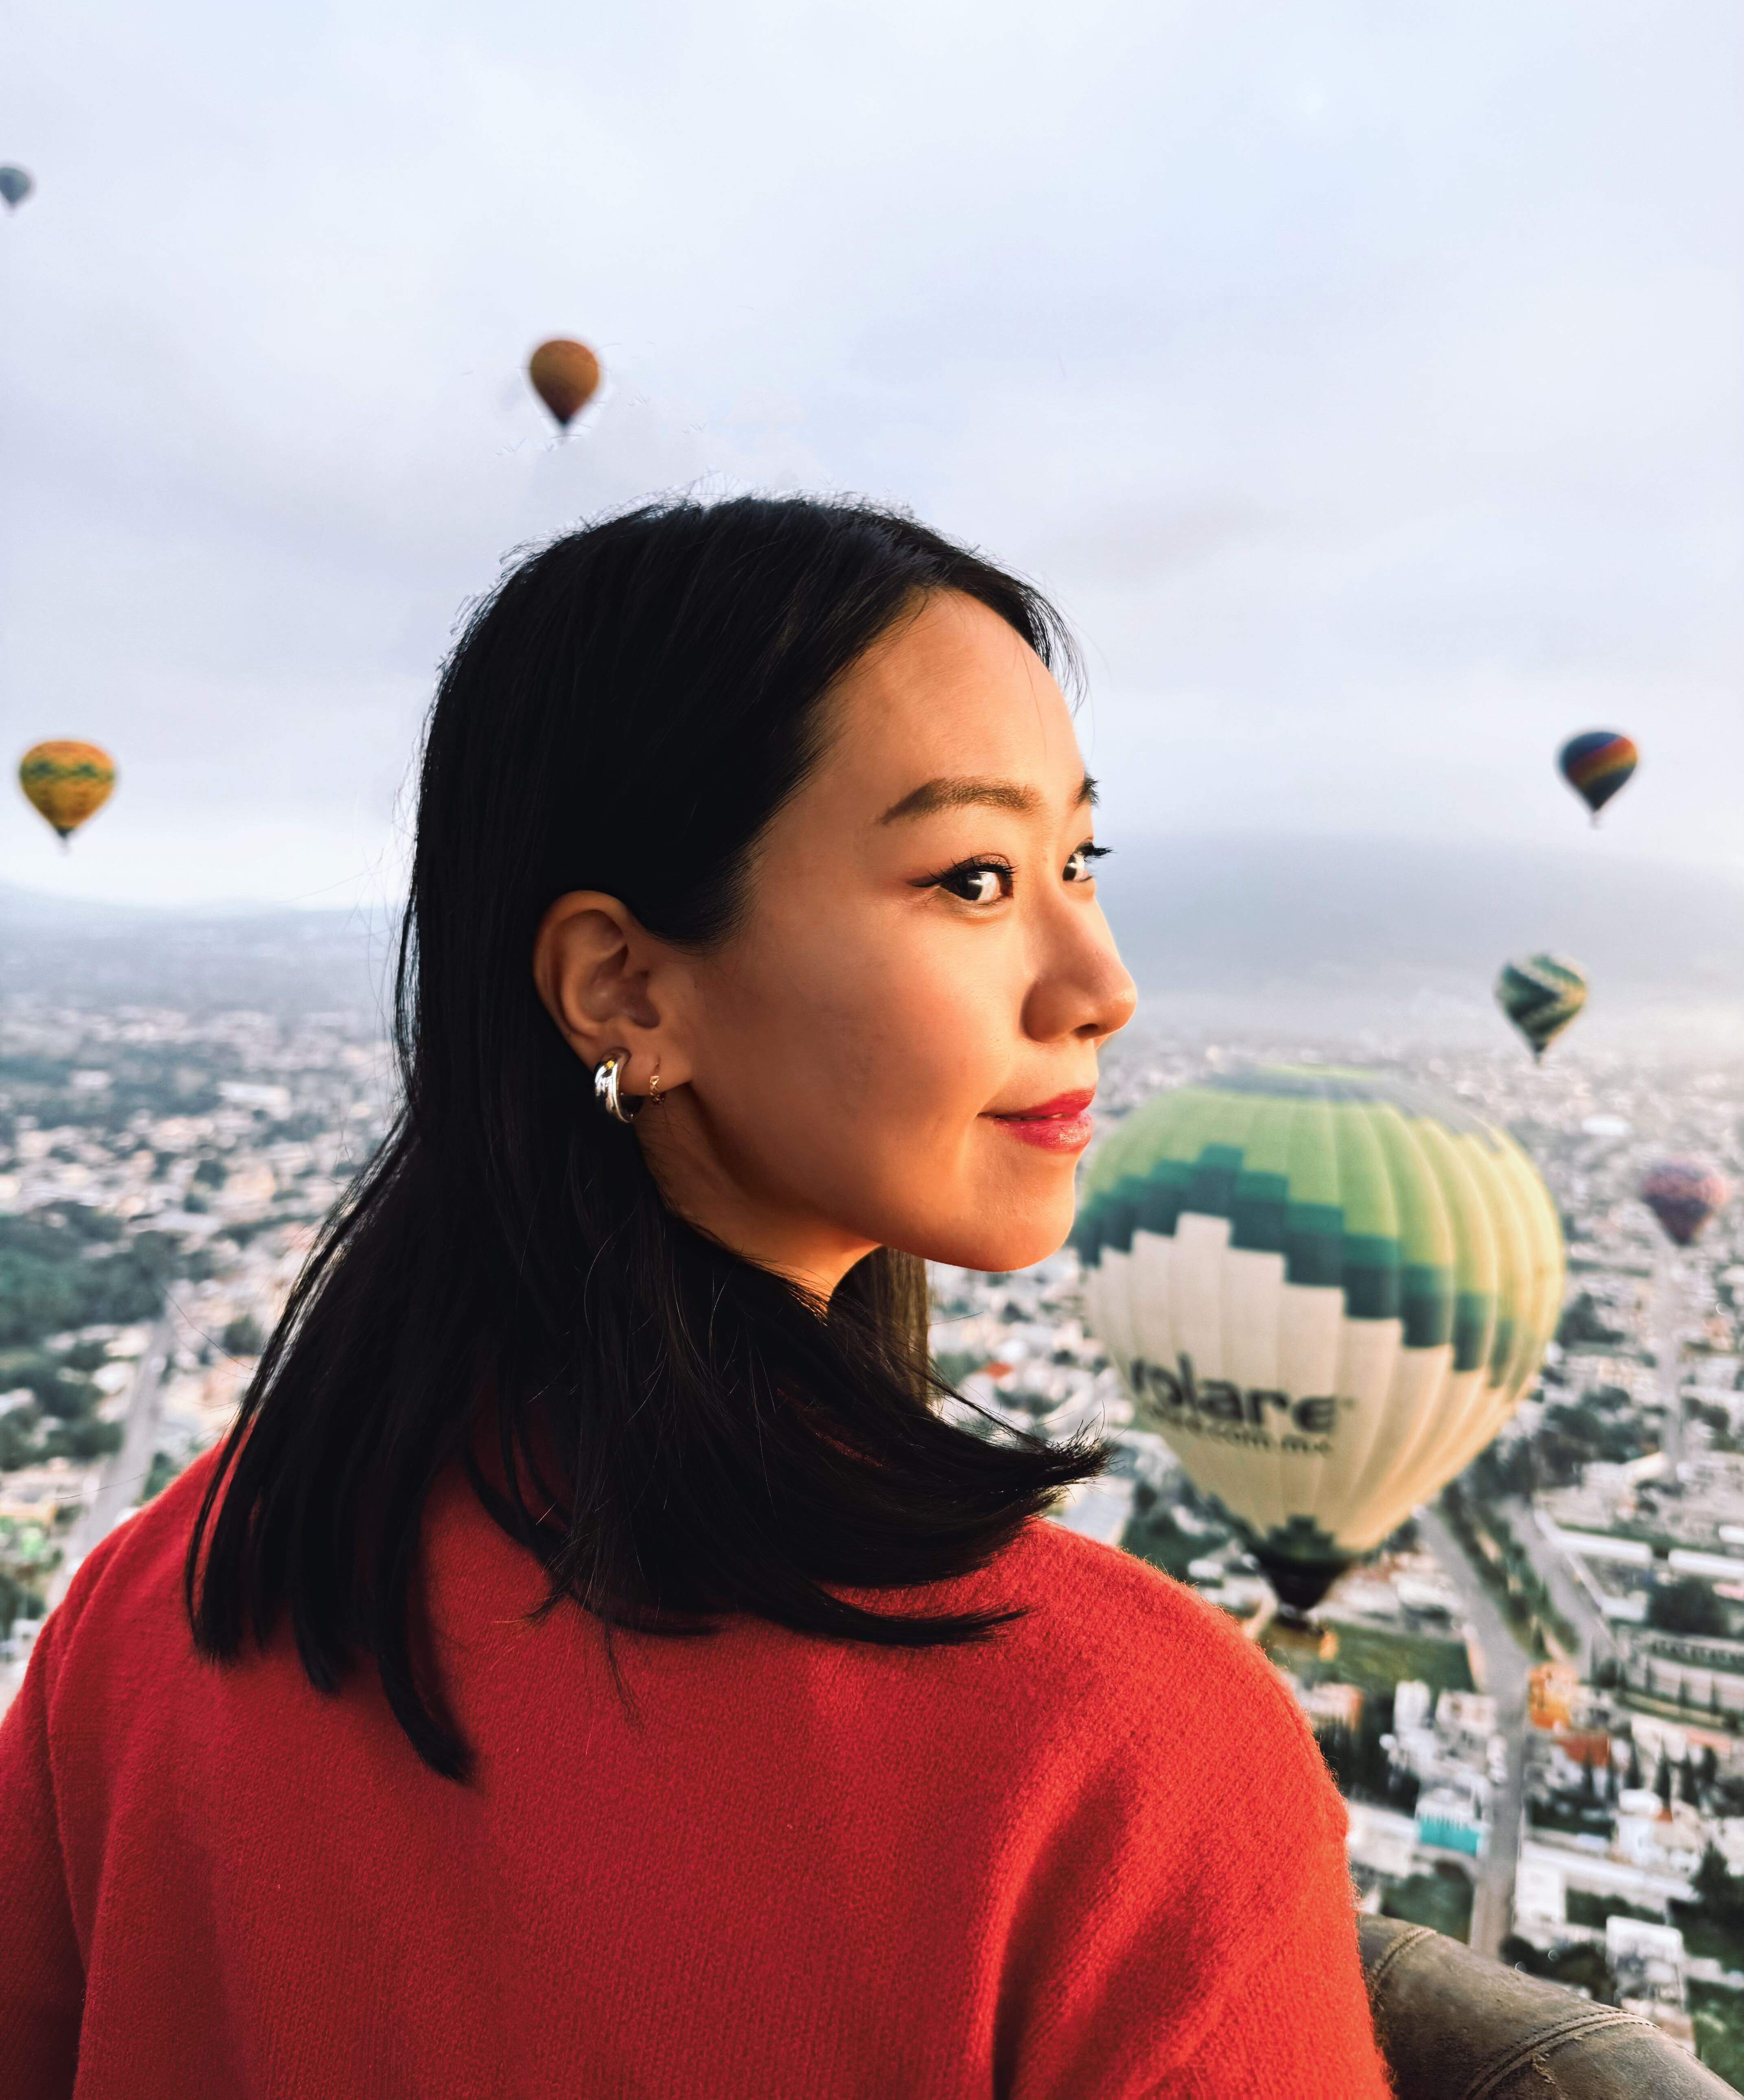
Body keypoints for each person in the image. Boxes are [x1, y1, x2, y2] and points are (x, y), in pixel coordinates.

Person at [0, 499, 1389, 2098]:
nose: (1102, 984)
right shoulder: (1122, 1756)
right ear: (628, 989)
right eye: (975, 878)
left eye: (1081, 859)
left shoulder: (163, 1602)